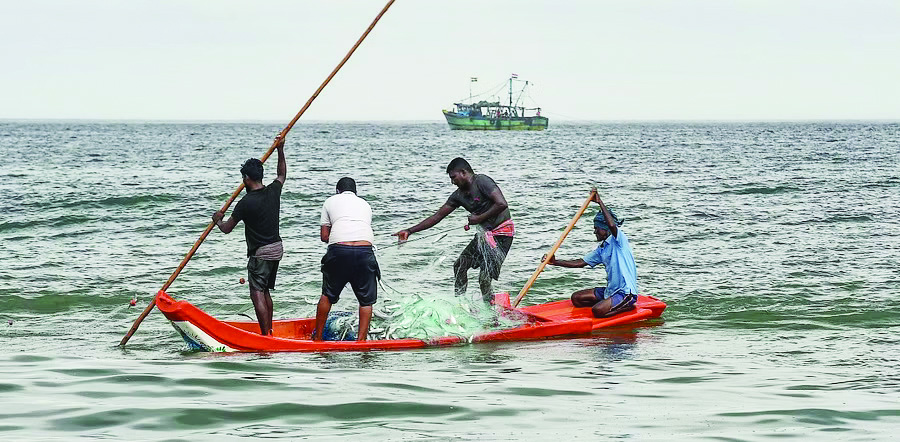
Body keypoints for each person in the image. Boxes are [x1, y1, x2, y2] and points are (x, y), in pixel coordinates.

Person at [393, 158, 514, 303]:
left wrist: (478, 218)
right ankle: (461, 305)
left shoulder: (482, 181)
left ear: (463, 172)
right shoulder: (458, 196)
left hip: (501, 235)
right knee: (459, 265)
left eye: (453, 177)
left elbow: (501, 203)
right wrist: (410, 231)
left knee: (484, 278)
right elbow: (437, 216)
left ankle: (491, 315)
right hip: (484, 236)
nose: (452, 182)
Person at [212, 134, 286, 336]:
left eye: (243, 177)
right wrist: (280, 149)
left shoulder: (245, 203)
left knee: (256, 293)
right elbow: (281, 174)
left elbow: (227, 229)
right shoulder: (273, 191)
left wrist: (217, 219)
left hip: (261, 252)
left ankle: (265, 336)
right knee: (265, 291)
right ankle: (269, 331)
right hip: (277, 248)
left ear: (246, 178)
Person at [544, 191, 638, 318]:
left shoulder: (619, 241)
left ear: (605, 229)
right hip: (610, 291)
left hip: (625, 292)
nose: (595, 232)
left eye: (597, 228)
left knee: (597, 311)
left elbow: (611, 224)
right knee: (576, 298)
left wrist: (600, 202)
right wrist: (555, 262)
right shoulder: (602, 249)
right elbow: (580, 263)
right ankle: (609, 303)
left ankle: (626, 306)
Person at [315, 177, 379, 342]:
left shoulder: (330, 201)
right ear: (355, 192)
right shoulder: (365, 204)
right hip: (365, 250)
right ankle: (361, 341)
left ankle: (318, 339)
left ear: (338, 191)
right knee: (365, 301)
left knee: (327, 295)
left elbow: (324, 236)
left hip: (339, 251)